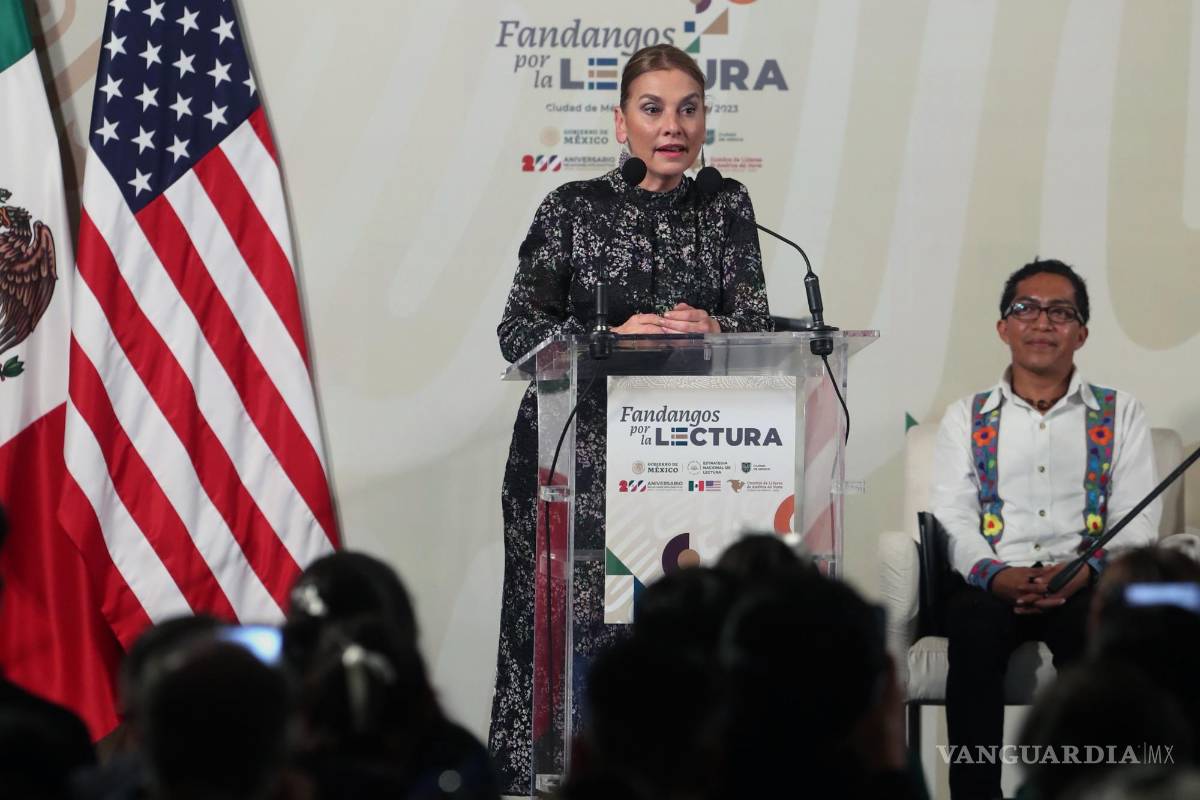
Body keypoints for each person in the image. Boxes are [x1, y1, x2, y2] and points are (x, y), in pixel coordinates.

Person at [490, 43, 772, 793]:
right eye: (653, 109)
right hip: (572, 465)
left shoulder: (727, 206)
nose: (672, 126)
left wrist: (718, 328)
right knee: (572, 644)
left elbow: (755, 322)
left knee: (679, 642)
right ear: (622, 122)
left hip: (688, 462)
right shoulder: (571, 209)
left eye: (688, 108)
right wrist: (614, 339)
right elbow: (519, 336)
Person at [930, 258, 1161, 799]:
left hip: (1084, 581)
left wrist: (1084, 571)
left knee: (1098, 638)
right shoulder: (967, 416)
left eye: (1060, 312)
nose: (1042, 323)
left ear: (1081, 333)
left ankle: (1086, 789)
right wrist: (994, 575)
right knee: (971, 630)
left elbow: (1138, 516)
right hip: (993, 584)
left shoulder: (1121, 413)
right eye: (1025, 308)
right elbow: (953, 516)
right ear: (1002, 327)